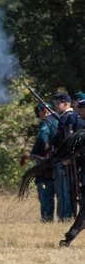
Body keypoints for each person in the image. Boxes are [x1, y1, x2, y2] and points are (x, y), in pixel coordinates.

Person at [51, 92, 83, 221]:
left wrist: (66, 155)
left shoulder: (69, 118)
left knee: (65, 190)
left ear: (66, 103)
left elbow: (66, 139)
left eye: (58, 103)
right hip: (73, 157)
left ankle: (66, 216)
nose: (56, 106)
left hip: (68, 158)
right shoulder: (71, 117)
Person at [27, 103, 58, 222]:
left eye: (39, 114)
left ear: (44, 111)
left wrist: (34, 154)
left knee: (45, 191)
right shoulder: (59, 120)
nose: (40, 118)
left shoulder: (46, 121)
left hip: (46, 163)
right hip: (58, 161)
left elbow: (43, 136)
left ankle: (46, 218)